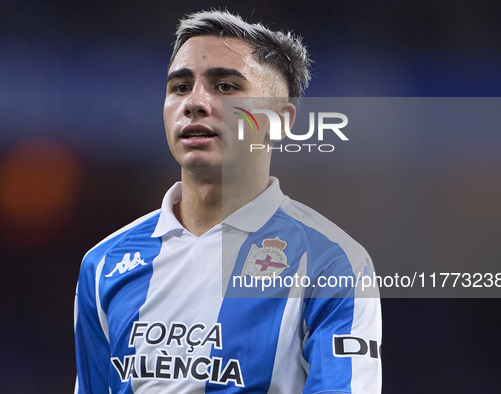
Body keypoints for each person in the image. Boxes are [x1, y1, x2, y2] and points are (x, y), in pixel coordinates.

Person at [74, 10, 382, 393]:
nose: (195, 102)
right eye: (180, 86)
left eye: (225, 86)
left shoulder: (333, 263)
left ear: (280, 122)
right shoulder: (104, 264)